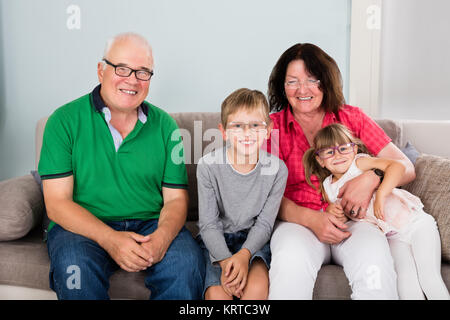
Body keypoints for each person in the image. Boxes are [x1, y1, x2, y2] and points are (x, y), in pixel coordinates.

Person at [38, 32, 205, 300]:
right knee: (75, 268)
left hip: (150, 224)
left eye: (143, 72)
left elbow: (175, 200)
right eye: (122, 69)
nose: (132, 80)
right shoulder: (63, 121)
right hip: (83, 227)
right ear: (101, 70)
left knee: (186, 264)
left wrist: (161, 238)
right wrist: (111, 240)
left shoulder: (166, 127)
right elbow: (57, 203)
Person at [265, 43, 418, 299]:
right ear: (282, 86)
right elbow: (264, 195)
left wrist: (372, 178)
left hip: (356, 222)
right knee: (289, 265)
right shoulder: (271, 128)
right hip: (299, 223)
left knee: (375, 265)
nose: (303, 90)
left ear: (326, 82)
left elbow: (406, 167)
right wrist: (310, 219)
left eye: (312, 80)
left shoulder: (352, 118)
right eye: (292, 81)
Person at [303, 123, 450, 300]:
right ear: (320, 160)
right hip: (392, 235)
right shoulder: (328, 188)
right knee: (405, 280)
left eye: (343, 148)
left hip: (416, 224)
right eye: (329, 152)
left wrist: (381, 193)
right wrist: (334, 212)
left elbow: (398, 166)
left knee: (429, 277)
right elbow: (339, 213)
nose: (338, 155)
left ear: (354, 149)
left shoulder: (360, 163)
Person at [196, 88, 288, 300]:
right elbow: (209, 225)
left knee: (255, 291)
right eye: (237, 126)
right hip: (216, 240)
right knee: (218, 296)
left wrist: (245, 256)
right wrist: (227, 262)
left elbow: (265, 224)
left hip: (253, 241)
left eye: (255, 125)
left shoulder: (277, 170)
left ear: (268, 130)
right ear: (224, 131)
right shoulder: (208, 166)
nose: (247, 133)